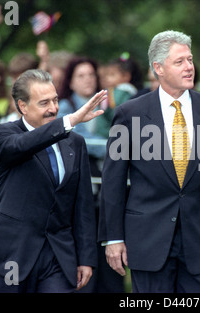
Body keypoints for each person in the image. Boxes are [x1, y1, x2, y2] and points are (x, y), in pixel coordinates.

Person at [98, 30, 200, 293]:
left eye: (189, 60)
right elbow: (113, 182)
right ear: (159, 68)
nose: (189, 67)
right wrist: (114, 238)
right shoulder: (128, 114)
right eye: (179, 62)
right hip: (147, 239)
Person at [0, 69, 105, 293]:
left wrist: (86, 257)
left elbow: (83, 206)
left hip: (57, 255)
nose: (53, 108)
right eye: (44, 103)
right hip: (12, 255)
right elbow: (21, 147)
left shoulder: (75, 142)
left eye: (55, 100)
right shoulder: (2, 134)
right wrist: (68, 121)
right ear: (23, 106)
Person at [57, 56, 125, 293]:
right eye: (81, 75)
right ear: (71, 81)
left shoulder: (108, 107)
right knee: (84, 257)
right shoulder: (65, 108)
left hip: (108, 193)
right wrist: (113, 147)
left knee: (110, 256)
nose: (88, 80)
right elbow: (78, 142)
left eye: (91, 75)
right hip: (80, 194)